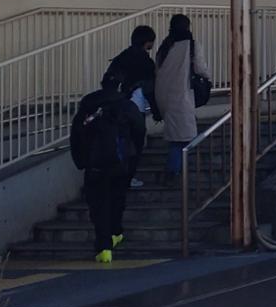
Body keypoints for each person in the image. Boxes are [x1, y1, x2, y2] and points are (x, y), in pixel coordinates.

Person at [69, 73, 146, 262]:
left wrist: (81, 160)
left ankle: (104, 247)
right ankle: (115, 232)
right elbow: (140, 130)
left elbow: (76, 135)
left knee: (98, 205)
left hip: (94, 165)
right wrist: (133, 156)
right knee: (117, 200)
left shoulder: (88, 106)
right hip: (121, 163)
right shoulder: (127, 106)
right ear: (120, 86)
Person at [153, 13, 208, 178]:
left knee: (177, 137)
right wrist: (208, 78)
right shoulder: (191, 45)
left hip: (164, 96)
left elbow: (157, 71)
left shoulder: (165, 46)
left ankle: (176, 170)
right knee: (183, 140)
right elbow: (200, 68)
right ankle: (174, 171)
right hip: (181, 96)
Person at [102, 24, 160, 120]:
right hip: (138, 104)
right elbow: (150, 88)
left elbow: (109, 80)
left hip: (122, 102)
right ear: (147, 42)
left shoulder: (122, 57)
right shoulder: (146, 61)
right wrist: (156, 111)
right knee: (137, 132)